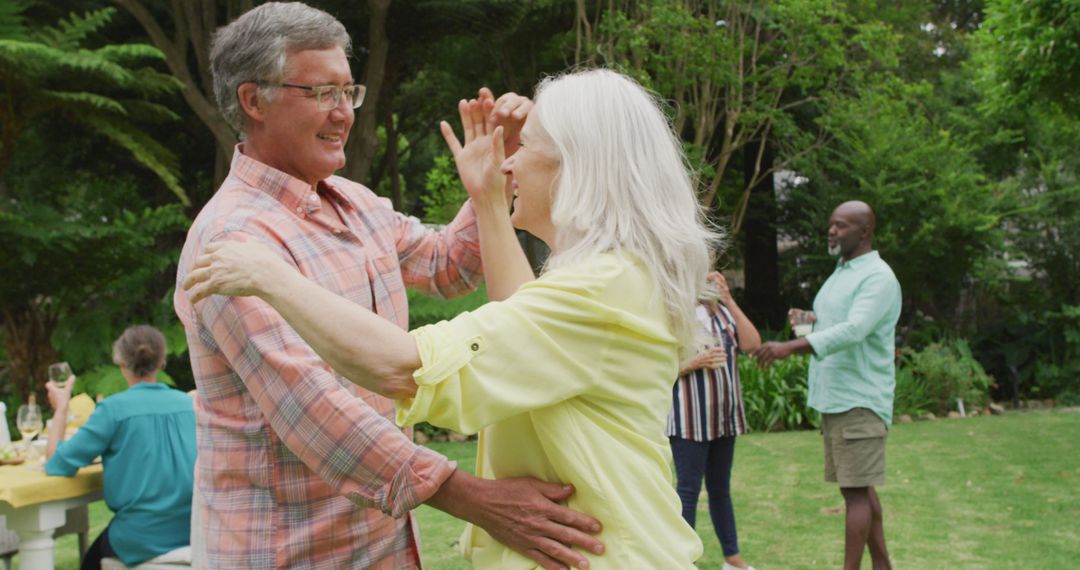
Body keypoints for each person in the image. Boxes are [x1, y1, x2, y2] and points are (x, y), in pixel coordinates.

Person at [182, 68, 721, 568]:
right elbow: (518, 319)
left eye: (525, 148)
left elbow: (405, 368)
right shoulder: (608, 279)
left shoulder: (599, 288)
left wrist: (270, 276)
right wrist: (486, 201)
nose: (509, 162)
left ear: (576, 166)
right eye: (322, 92)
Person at [173, 3, 601, 569]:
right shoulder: (232, 241)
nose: (342, 114)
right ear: (254, 101)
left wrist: (499, 166)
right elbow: (313, 411)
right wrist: (477, 500)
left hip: (381, 544)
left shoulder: (356, 205)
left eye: (348, 92)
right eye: (322, 93)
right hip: (288, 552)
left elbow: (449, 266)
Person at [753, 200, 901, 570]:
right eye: (831, 224)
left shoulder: (877, 277)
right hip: (836, 399)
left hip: (860, 400)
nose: (832, 231)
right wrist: (809, 323)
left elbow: (855, 330)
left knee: (855, 494)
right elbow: (836, 324)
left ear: (864, 231)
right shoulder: (842, 272)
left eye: (841, 225)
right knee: (861, 488)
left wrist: (790, 347)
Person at [45, 325, 197, 570]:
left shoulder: (113, 410)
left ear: (121, 362)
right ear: (162, 362)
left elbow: (56, 464)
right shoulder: (188, 404)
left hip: (142, 537)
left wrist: (62, 407)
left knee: (89, 561)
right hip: (192, 530)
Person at [668, 271, 761, 570]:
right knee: (688, 490)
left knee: (720, 488)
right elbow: (658, 364)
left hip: (723, 416)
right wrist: (694, 363)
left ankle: (732, 558)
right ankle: (683, 561)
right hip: (690, 417)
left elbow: (752, 344)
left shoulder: (722, 311)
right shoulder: (674, 310)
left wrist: (729, 299)